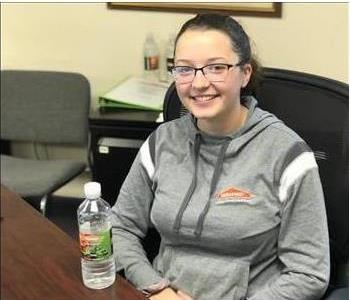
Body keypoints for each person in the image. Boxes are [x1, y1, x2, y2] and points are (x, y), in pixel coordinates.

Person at [111, 13, 330, 300]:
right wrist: (156, 287)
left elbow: (309, 273)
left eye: (216, 67)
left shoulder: (286, 154)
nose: (199, 84)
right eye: (185, 69)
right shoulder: (161, 142)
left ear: (245, 73)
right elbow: (121, 226)